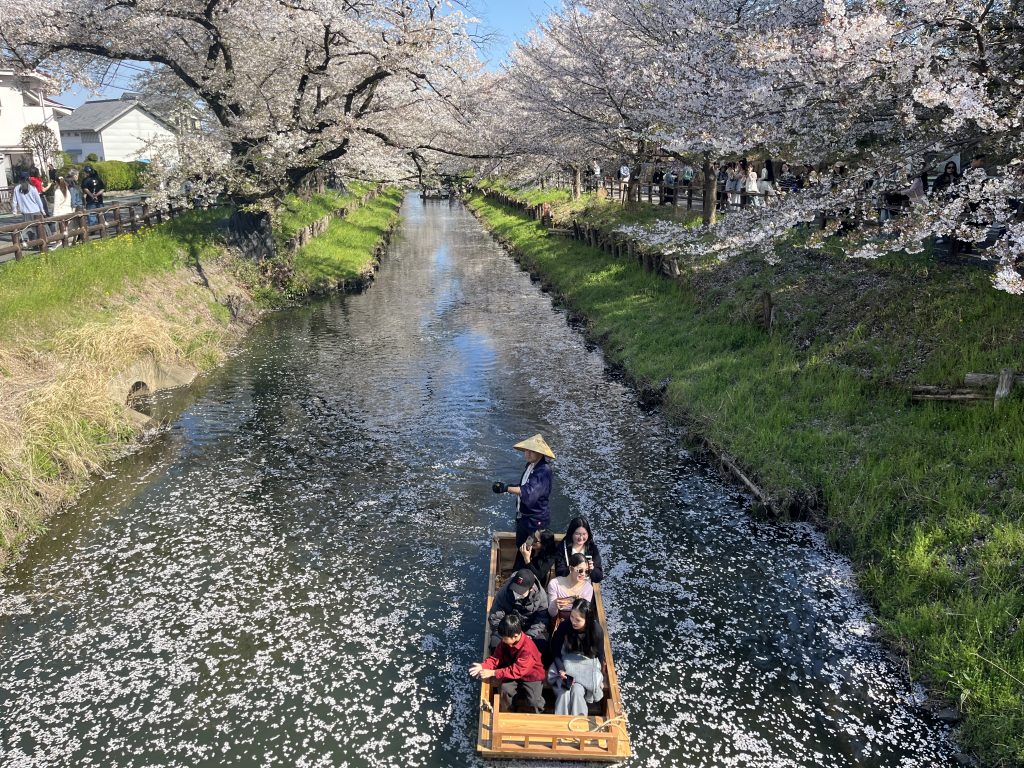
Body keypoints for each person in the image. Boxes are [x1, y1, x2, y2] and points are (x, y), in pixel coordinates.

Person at [469, 614, 546, 714]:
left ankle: (538, 715)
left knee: (534, 701)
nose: (503, 640)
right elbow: (496, 657)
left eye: (505, 638)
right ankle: (507, 713)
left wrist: (493, 672)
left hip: (531, 676)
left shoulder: (528, 649)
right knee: (505, 689)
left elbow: (517, 671)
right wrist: (483, 666)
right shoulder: (505, 642)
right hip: (514, 671)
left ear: (515, 636)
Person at [547, 598, 606, 715]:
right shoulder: (564, 626)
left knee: (577, 690)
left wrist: (599, 675)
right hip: (566, 660)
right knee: (564, 691)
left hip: (587, 662)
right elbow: (555, 650)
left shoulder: (597, 631)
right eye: (572, 617)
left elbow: (599, 655)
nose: (573, 621)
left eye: (577, 620)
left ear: (587, 620)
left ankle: (579, 721)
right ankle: (561, 721)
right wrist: (561, 669)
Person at [496, 434, 555, 547]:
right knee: (520, 545)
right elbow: (524, 486)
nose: (527, 453)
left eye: (531, 451)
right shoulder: (530, 465)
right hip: (523, 517)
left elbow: (529, 492)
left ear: (540, 453)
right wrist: (509, 487)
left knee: (530, 549)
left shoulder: (543, 471)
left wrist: (506, 488)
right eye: (526, 450)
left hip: (535, 521)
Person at [487, 569, 550, 652]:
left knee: (543, 646)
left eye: (521, 592)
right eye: (515, 589)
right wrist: (506, 635)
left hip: (528, 629)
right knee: (494, 645)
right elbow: (495, 617)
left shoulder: (541, 596)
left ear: (531, 589)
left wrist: (530, 635)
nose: (516, 594)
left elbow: (542, 619)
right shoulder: (504, 592)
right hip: (508, 628)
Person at [554, 516, 604, 583]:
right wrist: (573, 570)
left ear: (588, 534)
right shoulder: (563, 547)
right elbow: (559, 573)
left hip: (585, 584)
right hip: (567, 584)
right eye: (577, 534)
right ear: (571, 533)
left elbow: (599, 577)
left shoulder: (592, 548)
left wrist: (592, 570)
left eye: (584, 534)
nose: (581, 538)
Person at [547, 553, 594, 619]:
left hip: (578, 621)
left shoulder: (588, 588)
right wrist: (555, 604)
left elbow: (584, 614)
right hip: (559, 620)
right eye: (580, 570)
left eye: (586, 571)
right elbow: (552, 614)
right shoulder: (554, 584)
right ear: (571, 568)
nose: (583, 574)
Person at [11, 172, 48, 247]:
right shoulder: (32, 188)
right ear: (28, 178)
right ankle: (43, 243)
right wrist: (42, 211)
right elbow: (38, 201)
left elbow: (14, 201)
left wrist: (14, 211)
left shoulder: (17, 188)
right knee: (40, 228)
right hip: (36, 211)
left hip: (25, 213)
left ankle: (33, 244)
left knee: (29, 229)